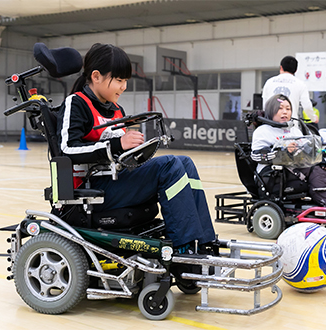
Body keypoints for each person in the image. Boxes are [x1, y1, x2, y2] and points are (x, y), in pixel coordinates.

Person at [49, 42, 218, 257]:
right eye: (119, 80)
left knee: (184, 162)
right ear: (96, 76)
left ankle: (203, 240)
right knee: (169, 165)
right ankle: (184, 245)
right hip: (91, 189)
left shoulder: (117, 110)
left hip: (116, 179)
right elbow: (67, 150)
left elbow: (120, 153)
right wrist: (118, 145)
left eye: (125, 81)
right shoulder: (77, 103)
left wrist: (136, 150)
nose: (123, 87)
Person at [262, 56, 316, 124]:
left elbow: (265, 106)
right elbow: (307, 106)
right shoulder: (300, 84)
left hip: (270, 124)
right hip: (291, 126)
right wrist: (313, 118)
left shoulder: (269, 82)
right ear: (296, 70)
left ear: (281, 67)